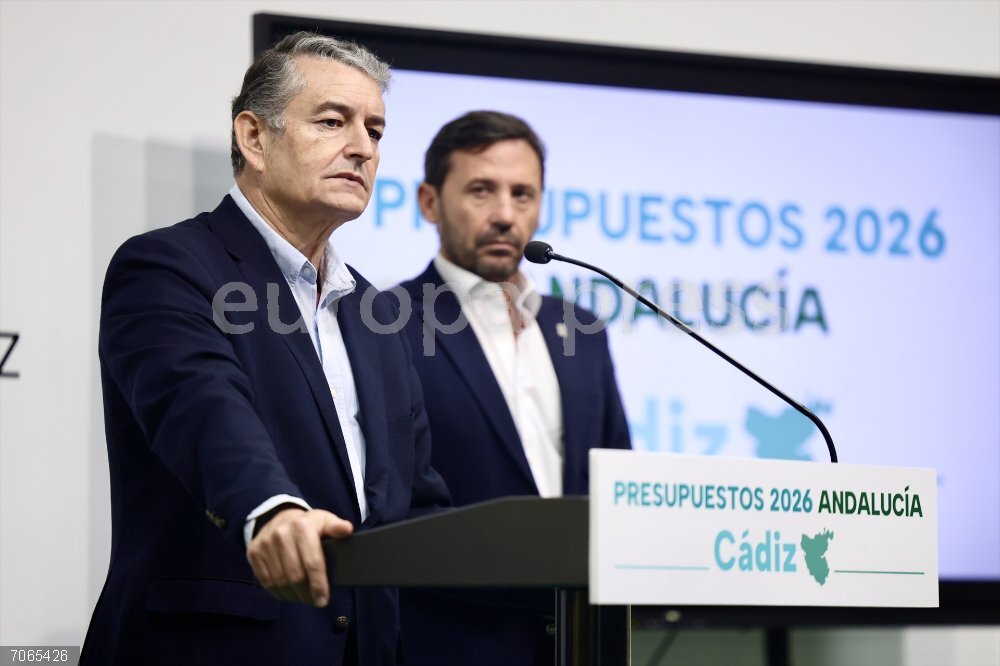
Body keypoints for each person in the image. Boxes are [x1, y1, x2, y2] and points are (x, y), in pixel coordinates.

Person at [81, 32, 449, 666]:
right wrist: (270, 511)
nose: (362, 147)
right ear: (254, 138)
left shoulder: (378, 312)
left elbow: (416, 504)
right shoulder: (169, 267)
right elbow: (202, 408)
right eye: (333, 122)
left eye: (376, 131)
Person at [397, 111, 632, 665]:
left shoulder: (582, 330)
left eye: (523, 194)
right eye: (482, 190)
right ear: (429, 202)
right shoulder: (385, 322)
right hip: (449, 642)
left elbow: (615, 478)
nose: (505, 214)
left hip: (582, 641)